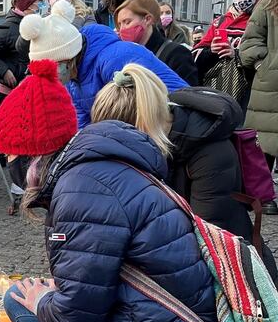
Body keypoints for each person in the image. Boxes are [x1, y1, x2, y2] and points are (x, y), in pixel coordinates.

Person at [0, 59, 215, 322]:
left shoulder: (85, 189)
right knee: (17, 297)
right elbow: (101, 285)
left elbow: (80, 310)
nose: (9, 164)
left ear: (30, 154)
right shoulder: (96, 168)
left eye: (10, 154)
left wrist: (47, 301)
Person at [91, 63, 277, 276]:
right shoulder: (147, 145)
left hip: (227, 267)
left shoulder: (210, 152)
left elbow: (208, 238)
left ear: (142, 127)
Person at [20, 0, 187, 128]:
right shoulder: (74, 77)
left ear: (67, 57)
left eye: (51, 68)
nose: (51, 75)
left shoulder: (114, 59)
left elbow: (135, 115)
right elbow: (81, 123)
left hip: (176, 121)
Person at [192, 0, 263, 109]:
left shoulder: (263, 21)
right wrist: (211, 51)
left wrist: (235, 54)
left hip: (251, 93)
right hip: (218, 88)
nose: (240, 0)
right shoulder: (221, 21)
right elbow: (195, 55)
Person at [241, 0, 278, 215]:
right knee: (263, 144)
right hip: (270, 82)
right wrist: (263, 65)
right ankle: (261, 195)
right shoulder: (270, 1)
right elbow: (251, 41)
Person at [115, 0, 199, 85]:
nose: (122, 29)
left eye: (127, 22)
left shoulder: (177, 54)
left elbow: (187, 96)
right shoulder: (126, 56)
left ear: (147, 19)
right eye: (119, 24)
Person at [0, 0, 44, 95]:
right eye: (40, 1)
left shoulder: (38, 25)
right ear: (28, 4)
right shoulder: (9, 27)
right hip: (10, 92)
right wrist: (5, 71)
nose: (44, 5)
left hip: (31, 88)